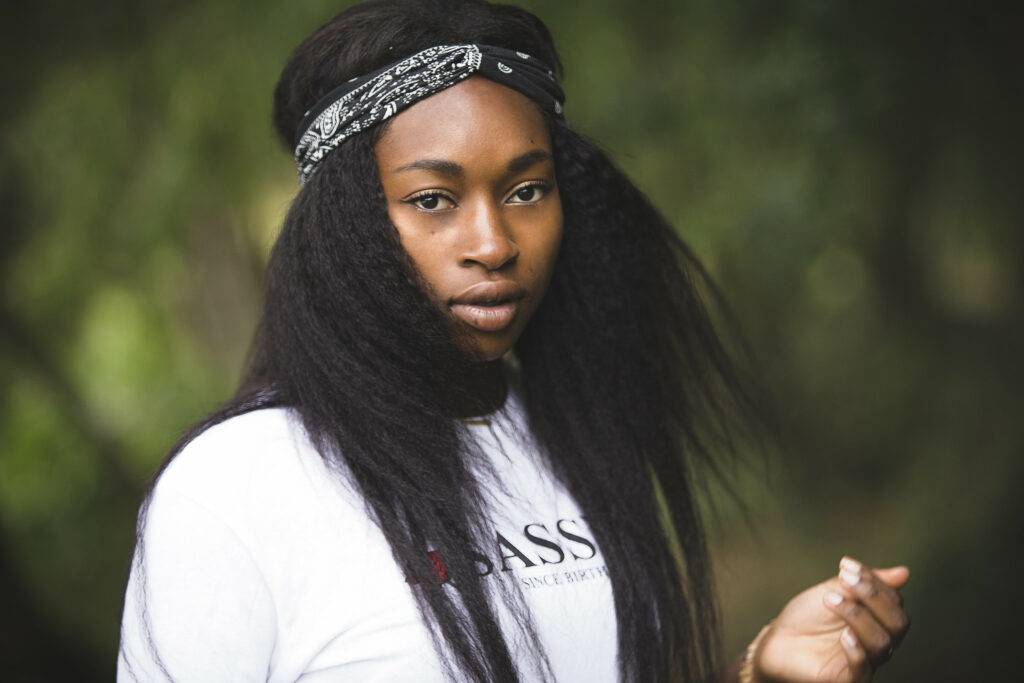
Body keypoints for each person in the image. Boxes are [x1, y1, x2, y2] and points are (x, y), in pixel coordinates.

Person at [116, 1, 911, 681]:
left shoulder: (571, 439)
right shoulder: (234, 489)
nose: (494, 241)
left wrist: (761, 670)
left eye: (527, 189)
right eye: (433, 199)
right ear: (349, 225)